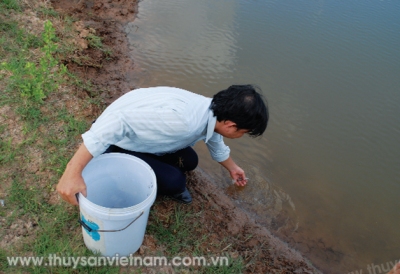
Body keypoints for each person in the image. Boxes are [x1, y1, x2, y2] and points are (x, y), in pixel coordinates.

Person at [57, 85, 269, 205]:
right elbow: (118, 122)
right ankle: (112, 156)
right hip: (115, 137)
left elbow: (215, 141)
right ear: (231, 126)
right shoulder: (184, 122)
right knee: (175, 181)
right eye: (244, 132)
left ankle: (150, 163)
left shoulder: (210, 109)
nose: (241, 135)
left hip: (137, 130)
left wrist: (233, 168)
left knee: (190, 161)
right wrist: (72, 171)